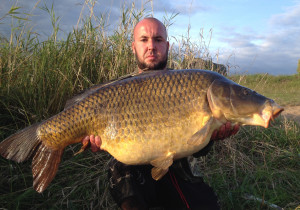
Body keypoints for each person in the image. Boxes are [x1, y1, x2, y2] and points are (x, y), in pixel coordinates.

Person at [82, 17, 239, 209]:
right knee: (119, 169)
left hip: (177, 168)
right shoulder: (116, 90)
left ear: (167, 45)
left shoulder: (186, 83)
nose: (151, 46)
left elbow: (199, 147)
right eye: (144, 40)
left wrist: (213, 136)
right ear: (133, 47)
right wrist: (92, 141)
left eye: (157, 40)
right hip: (135, 169)